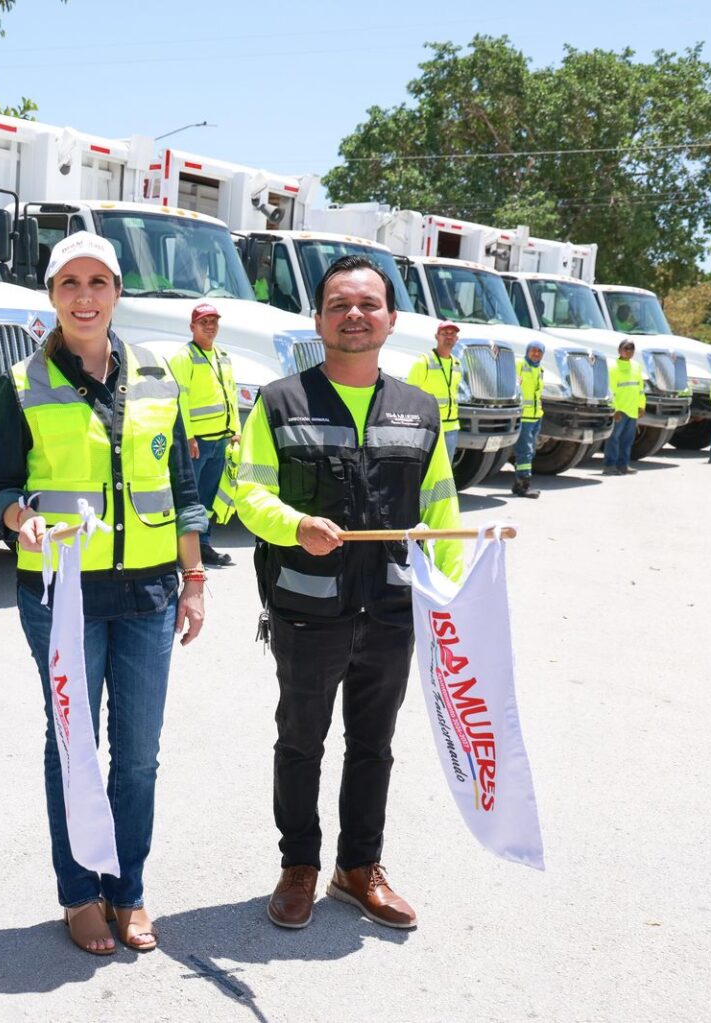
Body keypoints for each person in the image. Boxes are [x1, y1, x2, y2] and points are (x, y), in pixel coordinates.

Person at [0, 231, 207, 956]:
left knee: (138, 754)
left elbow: (180, 487)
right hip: (61, 594)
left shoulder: (158, 376)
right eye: (69, 283)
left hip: (148, 592)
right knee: (74, 744)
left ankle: (128, 890)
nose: (84, 296)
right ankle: (80, 892)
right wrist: (19, 518)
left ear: (117, 292)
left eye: (98, 282)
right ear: (51, 295)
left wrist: (194, 578)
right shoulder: (20, 381)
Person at [235, 254, 463, 933]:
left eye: (369, 304)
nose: (354, 314)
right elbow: (247, 491)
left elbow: (443, 505)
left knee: (375, 744)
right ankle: (299, 865)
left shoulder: (420, 411)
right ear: (319, 319)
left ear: (392, 319)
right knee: (301, 741)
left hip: (392, 611)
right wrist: (293, 524)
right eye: (340, 304)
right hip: (307, 612)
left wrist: (448, 591)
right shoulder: (280, 401)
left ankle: (358, 867)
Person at [168, 302, 240, 567]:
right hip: (196, 443)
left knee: (208, 498)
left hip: (220, 440)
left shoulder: (222, 356)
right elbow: (179, 399)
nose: (210, 327)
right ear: (192, 327)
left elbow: (230, 394)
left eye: (213, 322)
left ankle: (203, 544)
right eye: (204, 322)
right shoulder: (184, 357)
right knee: (189, 497)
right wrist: (187, 437)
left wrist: (235, 431)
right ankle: (180, 550)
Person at [405, 321, 461, 460]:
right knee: (425, 468)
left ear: (456, 339)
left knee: (445, 472)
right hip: (430, 427)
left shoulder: (457, 364)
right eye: (444, 333)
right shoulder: (423, 362)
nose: (449, 337)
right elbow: (409, 395)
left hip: (451, 427)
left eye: (452, 334)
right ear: (436, 336)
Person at [604, 340, 646, 475]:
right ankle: (610, 465)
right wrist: (614, 409)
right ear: (619, 350)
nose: (628, 351)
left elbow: (640, 388)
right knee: (614, 439)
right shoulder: (613, 367)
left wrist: (641, 405)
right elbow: (611, 389)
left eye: (631, 349)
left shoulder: (636, 366)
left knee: (627, 440)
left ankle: (623, 465)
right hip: (620, 410)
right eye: (626, 348)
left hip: (632, 409)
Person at [512, 341, 546, 498]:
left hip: (535, 416)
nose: (536, 354)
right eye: (533, 350)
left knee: (530, 452)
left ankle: (518, 482)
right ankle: (523, 486)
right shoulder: (520, 364)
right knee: (525, 451)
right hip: (524, 416)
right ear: (527, 351)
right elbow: (514, 384)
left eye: (539, 352)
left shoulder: (539, 369)